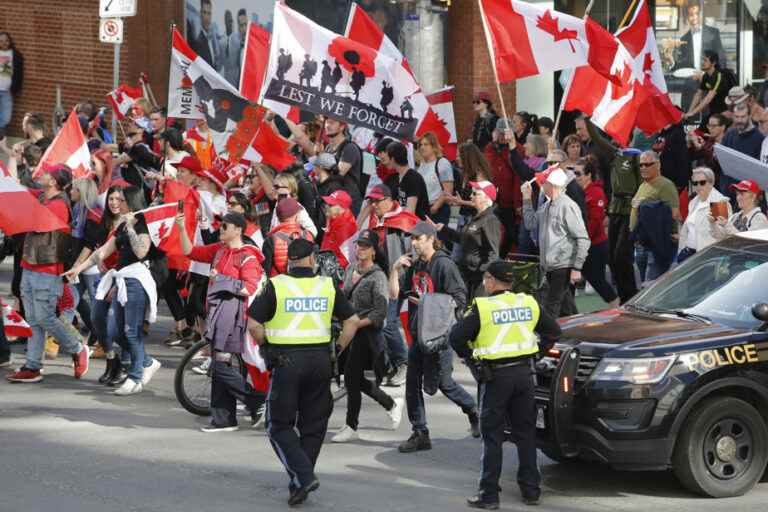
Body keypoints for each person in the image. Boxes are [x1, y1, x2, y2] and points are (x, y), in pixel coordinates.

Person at [247, 238, 359, 506]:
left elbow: (253, 324)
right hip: (320, 360)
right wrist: (338, 348)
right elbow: (352, 322)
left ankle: (304, 476)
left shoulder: (276, 284)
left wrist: (267, 347)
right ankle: (300, 481)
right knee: (313, 425)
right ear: (312, 259)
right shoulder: (327, 284)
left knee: (279, 425)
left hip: (287, 362)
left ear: (289, 261)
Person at [450, 260, 561, 509]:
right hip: (524, 376)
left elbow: (455, 337)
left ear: (491, 281)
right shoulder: (528, 302)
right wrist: (536, 354)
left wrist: (472, 361)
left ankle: (489, 495)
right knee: (525, 434)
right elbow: (554, 332)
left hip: (496, 377)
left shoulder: (485, 308)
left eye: (485, 279)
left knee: (492, 437)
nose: (484, 284)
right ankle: (531, 491)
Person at [390, 221, 480, 453]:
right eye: (412, 238)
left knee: (444, 383)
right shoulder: (413, 263)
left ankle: (472, 410)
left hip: (440, 334)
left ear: (431, 238)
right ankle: (420, 432)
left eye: (418, 238)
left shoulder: (444, 265)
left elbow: (459, 300)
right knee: (412, 381)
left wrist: (427, 303)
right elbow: (395, 294)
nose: (414, 242)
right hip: (419, 332)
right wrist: (394, 269)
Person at [64, 186, 161, 395]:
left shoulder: (142, 224)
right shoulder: (121, 226)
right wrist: (78, 268)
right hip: (121, 279)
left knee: (130, 332)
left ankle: (134, 376)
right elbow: (101, 252)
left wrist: (132, 227)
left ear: (131, 202)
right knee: (115, 332)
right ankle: (147, 362)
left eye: (123, 200)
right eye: (115, 199)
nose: (118, 204)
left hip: (136, 280)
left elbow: (141, 251)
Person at [177, 210, 267, 432]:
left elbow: (250, 287)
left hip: (233, 319)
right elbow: (190, 251)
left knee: (219, 366)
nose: (220, 229)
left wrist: (221, 281)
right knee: (221, 365)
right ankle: (224, 419)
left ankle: (257, 400)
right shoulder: (219, 250)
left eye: (224, 226)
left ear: (237, 229)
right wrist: (181, 227)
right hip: (219, 317)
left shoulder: (248, 256)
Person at [6, 165, 91, 384]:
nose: (39, 175)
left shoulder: (59, 205)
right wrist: (11, 164)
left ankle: (77, 347)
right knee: (33, 319)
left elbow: (31, 218)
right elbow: (16, 189)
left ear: (53, 181)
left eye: (45, 174)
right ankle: (32, 366)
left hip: (47, 270)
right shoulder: (43, 196)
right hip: (29, 265)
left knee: (45, 317)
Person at [332, 229, 404, 442]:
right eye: (358, 245)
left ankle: (351, 425)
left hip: (367, 334)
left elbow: (380, 313)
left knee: (353, 378)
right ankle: (390, 403)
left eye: (365, 246)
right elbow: (344, 298)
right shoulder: (350, 268)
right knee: (355, 378)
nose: (360, 249)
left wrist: (356, 323)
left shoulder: (379, 276)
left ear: (374, 250)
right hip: (349, 331)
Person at [363, 184, 420, 387]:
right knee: (384, 324)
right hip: (386, 278)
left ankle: (404, 364)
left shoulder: (403, 220)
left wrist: (409, 269)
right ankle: (395, 365)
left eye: (377, 201)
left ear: (389, 200)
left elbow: (419, 245)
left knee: (388, 324)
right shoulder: (377, 218)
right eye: (371, 201)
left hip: (402, 279)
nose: (373, 205)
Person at [522, 168, 590, 318]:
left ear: (552, 185)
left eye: (543, 182)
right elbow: (530, 223)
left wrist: (577, 267)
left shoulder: (568, 206)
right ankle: (576, 332)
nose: (541, 185)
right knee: (566, 309)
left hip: (563, 265)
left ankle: (548, 339)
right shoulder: (546, 206)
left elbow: (583, 238)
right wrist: (526, 199)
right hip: (551, 265)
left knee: (551, 306)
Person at [431, 181, 501, 302]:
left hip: (478, 279)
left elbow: (493, 253)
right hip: (467, 274)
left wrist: (484, 277)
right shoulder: (477, 217)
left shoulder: (490, 219)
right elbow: (463, 239)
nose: (471, 196)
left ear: (486, 197)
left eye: (475, 193)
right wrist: (443, 229)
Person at [573, 157, 619, 307]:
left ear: (588, 175)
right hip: (586, 243)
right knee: (585, 279)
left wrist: (581, 242)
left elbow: (594, 222)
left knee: (597, 280)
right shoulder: (580, 192)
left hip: (594, 245)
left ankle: (615, 305)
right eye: (574, 173)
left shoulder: (596, 192)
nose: (576, 177)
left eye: (579, 174)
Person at [630, 151, 681, 282]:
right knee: (643, 285)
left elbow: (674, 213)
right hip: (642, 243)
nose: (643, 168)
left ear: (658, 165)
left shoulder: (665, 185)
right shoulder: (643, 185)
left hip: (658, 242)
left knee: (651, 285)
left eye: (647, 164)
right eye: (641, 165)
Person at [679, 167, 731, 262]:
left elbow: (723, 236)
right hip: (687, 253)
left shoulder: (718, 202)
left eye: (702, 182)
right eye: (695, 183)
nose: (698, 186)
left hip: (706, 257)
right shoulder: (694, 202)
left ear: (711, 183)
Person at [263, 197, 315, 276]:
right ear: (297, 215)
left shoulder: (271, 240)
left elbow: (266, 271)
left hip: (280, 285)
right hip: (305, 285)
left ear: (278, 218)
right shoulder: (308, 235)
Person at [416, 132, 454, 226]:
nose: (422, 147)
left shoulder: (442, 163)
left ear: (434, 146)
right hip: (424, 210)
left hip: (438, 211)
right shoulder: (421, 166)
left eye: (426, 144)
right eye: (420, 145)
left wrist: (435, 208)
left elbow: (448, 190)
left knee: (438, 240)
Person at [386, 141, 429, 219]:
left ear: (392, 159)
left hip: (417, 227)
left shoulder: (414, 178)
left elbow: (410, 212)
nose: (386, 162)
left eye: (387, 158)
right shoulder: (394, 178)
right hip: (400, 226)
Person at [685, 51, 730, 119]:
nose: (703, 62)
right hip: (713, 112)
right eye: (702, 60)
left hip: (724, 114)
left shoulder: (719, 76)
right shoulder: (706, 76)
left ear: (713, 63)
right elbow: (698, 94)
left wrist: (693, 112)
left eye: (705, 60)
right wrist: (689, 111)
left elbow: (709, 98)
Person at [0, 31, 23, 138]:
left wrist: (15, 88)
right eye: (1, 41)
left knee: (6, 118)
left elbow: (19, 73)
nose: (4, 43)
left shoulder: (15, 55)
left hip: (7, 92)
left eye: (6, 40)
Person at [191, 0, 221, 70]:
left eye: (209, 13)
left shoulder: (213, 40)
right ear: (200, 14)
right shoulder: (197, 43)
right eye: (204, 13)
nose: (207, 17)